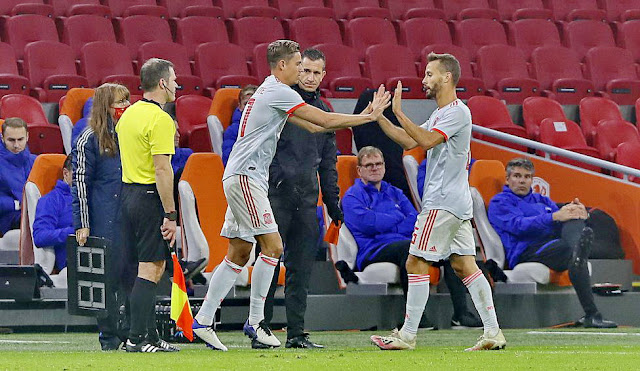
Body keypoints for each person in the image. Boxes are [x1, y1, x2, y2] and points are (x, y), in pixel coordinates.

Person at [191, 39, 390, 351]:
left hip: (242, 177)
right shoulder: (279, 92)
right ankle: (256, 322)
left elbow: (313, 128)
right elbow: (324, 120)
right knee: (273, 247)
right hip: (248, 178)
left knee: (240, 252)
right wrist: (368, 116)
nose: (301, 70)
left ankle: (202, 320)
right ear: (282, 65)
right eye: (298, 64)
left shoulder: (271, 92)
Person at [370, 53, 505, 351]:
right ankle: (493, 332)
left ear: (447, 77)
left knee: (415, 261)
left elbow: (428, 141)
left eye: (429, 74)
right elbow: (410, 142)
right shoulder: (443, 113)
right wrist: (380, 117)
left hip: (442, 202)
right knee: (464, 265)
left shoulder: (458, 112)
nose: (424, 80)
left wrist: (399, 111)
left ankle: (407, 335)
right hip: (454, 202)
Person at [339, 146, 482, 329]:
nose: (375, 168)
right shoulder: (352, 196)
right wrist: (398, 217)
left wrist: (388, 221)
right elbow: (368, 224)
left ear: (384, 166)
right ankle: (416, 318)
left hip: (405, 241)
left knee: (450, 248)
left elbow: (415, 220)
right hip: (373, 249)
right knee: (409, 249)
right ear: (359, 170)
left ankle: (461, 315)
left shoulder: (395, 192)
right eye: (369, 165)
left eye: (378, 164)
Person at [262, 48, 342, 349]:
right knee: (269, 265)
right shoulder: (280, 101)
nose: (309, 77)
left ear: (324, 75)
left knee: (301, 269)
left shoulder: (323, 110)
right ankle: (262, 328)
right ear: (297, 70)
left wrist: (333, 203)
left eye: (316, 72)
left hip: (307, 198)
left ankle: (296, 333)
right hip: (276, 195)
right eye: (305, 70)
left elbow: (328, 163)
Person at [487, 157, 617, 328]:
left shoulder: (542, 200)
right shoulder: (500, 202)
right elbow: (518, 226)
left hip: (555, 247)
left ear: (531, 180)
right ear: (508, 179)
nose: (522, 181)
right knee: (570, 248)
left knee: (573, 223)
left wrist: (576, 213)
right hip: (526, 251)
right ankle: (578, 255)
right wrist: (554, 217)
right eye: (517, 176)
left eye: (526, 177)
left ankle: (578, 258)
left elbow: (561, 219)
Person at [116, 58, 181, 353]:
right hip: (147, 197)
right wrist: (170, 214)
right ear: (163, 83)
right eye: (174, 79)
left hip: (127, 194)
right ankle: (136, 338)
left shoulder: (128, 115)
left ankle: (151, 336)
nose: (177, 84)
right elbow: (162, 170)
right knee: (150, 269)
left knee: (148, 268)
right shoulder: (161, 119)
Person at [72, 83, 137, 351]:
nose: (126, 106)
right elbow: (80, 184)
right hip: (102, 220)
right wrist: (83, 223)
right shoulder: (89, 139)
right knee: (106, 281)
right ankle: (109, 338)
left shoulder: (131, 135)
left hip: (130, 217)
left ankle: (133, 333)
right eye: (120, 102)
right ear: (105, 106)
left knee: (132, 278)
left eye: (127, 100)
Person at [33, 154, 74, 273]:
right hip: (72, 262)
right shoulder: (51, 200)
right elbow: (40, 236)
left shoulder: (95, 197)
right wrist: (74, 232)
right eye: (78, 174)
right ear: (66, 173)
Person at [0, 118, 36, 235]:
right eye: (11, 140)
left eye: (20, 139)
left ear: (27, 137)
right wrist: (16, 204)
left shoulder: (35, 161)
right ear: (2, 138)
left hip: (30, 212)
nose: (16, 145)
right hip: (7, 217)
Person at [222, 85, 258, 165]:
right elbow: (229, 159)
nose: (250, 108)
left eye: (254, 104)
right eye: (246, 104)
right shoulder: (233, 130)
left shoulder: (270, 126)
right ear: (240, 107)